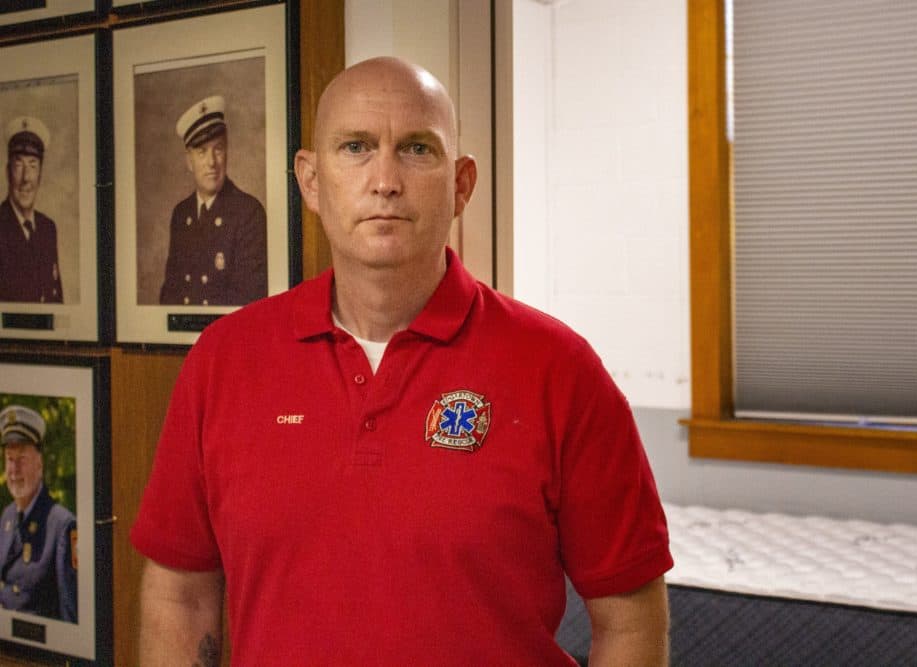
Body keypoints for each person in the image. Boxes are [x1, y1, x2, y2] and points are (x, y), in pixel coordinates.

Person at [132, 57, 671, 666]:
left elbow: (630, 618)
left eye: (416, 149)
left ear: (461, 184)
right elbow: (179, 597)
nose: (385, 179)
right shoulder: (224, 363)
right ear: (310, 181)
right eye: (356, 147)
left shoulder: (561, 371)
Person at [159, 95, 267, 306]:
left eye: (217, 149)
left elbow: (249, 301)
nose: (211, 162)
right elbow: (171, 293)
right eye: (201, 152)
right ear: (189, 161)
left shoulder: (248, 213)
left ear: (226, 152)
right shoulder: (181, 214)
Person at [0, 405, 77, 622]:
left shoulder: (63, 526)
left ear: (39, 464)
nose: (14, 470)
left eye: (22, 459)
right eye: (9, 459)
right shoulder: (7, 517)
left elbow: (70, 616)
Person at [0, 116, 64, 303]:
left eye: (33, 166)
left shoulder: (48, 228)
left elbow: (56, 302)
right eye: (19, 165)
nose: (26, 177)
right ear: (7, 172)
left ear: (41, 174)